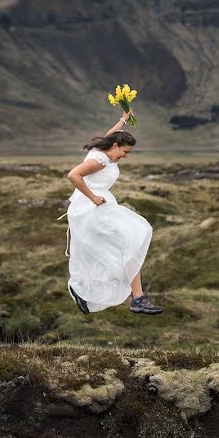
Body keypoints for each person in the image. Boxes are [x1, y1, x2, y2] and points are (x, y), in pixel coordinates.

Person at [65, 110, 163, 315]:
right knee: (130, 240)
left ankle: (135, 297)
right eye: (125, 152)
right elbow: (73, 175)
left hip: (99, 206)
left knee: (114, 249)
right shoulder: (99, 160)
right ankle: (138, 298)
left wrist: (123, 120)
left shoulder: (106, 150)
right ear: (115, 146)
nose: (126, 157)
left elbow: (111, 134)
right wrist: (92, 197)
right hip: (91, 209)